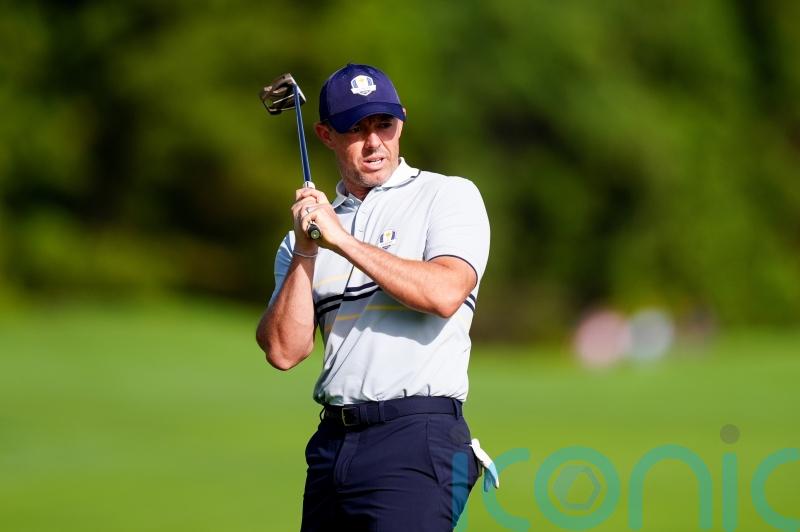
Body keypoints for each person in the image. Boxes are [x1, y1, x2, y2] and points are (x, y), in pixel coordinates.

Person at [256, 63, 492, 531]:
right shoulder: (305, 237)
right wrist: (307, 247)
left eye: (383, 125)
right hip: (331, 446)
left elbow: (445, 292)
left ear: (401, 121)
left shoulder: (446, 196)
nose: (373, 143)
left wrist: (342, 241)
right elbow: (284, 351)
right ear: (325, 135)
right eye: (355, 129)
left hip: (417, 435)